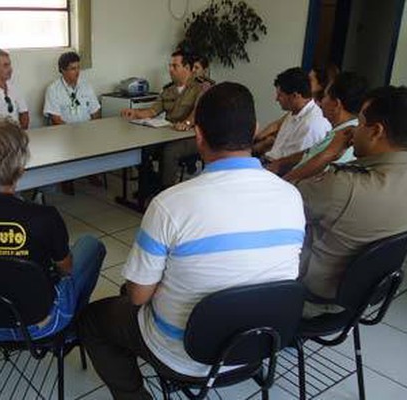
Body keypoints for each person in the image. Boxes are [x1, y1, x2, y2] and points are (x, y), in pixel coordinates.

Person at [80, 82, 305, 399]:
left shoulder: (169, 205)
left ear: (198, 135)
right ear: (254, 129)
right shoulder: (291, 197)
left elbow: (139, 297)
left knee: (94, 319)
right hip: (257, 348)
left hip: (184, 355)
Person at [0, 118, 106, 341]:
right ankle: (70, 328)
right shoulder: (43, 217)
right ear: (20, 167)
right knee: (92, 245)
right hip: (40, 323)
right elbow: (66, 270)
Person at [298, 85, 407, 317]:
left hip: (311, 300)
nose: (353, 131)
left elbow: (280, 199)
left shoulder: (344, 185)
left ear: (376, 131)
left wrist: (327, 154)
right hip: (363, 298)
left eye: (358, 123)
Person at [121, 50, 204, 188]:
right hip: (168, 134)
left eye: (175, 66)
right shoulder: (167, 90)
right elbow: (153, 111)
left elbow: (198, 111)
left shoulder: (200, 88)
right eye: (170, 66)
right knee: (143, 149)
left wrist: (186, 123)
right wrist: (135, 113)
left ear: (187, 68)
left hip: (191, 136)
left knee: (170, 152)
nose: (170, 70)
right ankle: (151, 184)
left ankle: (165, 192)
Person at [268, 72, 368, 180]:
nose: (320, 102)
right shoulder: (339, 130)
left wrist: (282, 183)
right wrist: (280, 162)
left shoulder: (347, 136)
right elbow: (310, 152)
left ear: (336, 104)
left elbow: (314, 176)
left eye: (324, 96)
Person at [253, 67, 331, 163]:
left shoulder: (311, 125)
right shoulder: (294, 112)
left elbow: (294, 165)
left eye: (280, 95)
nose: (276, 99)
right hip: (269, 161)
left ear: (295, 96)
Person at [44, 51, 101, 125]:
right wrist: (71, 131)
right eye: (73, 69)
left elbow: (95, 112)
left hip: (87, 130)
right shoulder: (53, 90)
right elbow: (56, 119)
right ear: (63, 70)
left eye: (78, 68)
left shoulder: (86, 86)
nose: (77, 72)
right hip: (65, 132)